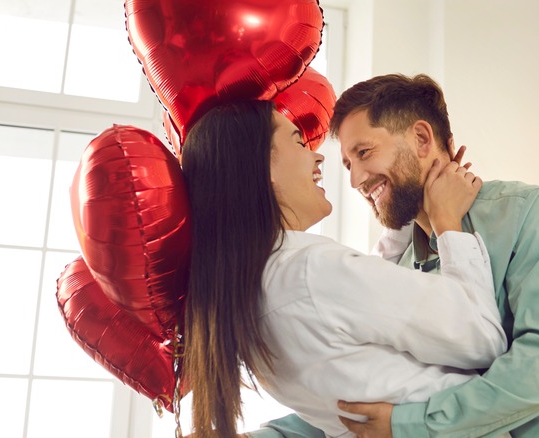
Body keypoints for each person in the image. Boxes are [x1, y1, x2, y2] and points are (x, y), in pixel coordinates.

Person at [258, 74, 539, 437]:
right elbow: (364, 386)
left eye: (364, 153)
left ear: (422, 140)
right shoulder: (399, 263)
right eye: (348, 164)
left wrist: (409, 424)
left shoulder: (528, 213)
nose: (357, 180)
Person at [180, 99, 508, 438]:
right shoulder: (312, 271)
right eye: (297, 142)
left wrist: (403, 211)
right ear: (262, 170)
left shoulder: (251, 297)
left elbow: (356, 326)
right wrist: (446, 221)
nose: (317, 156)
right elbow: (483, 337)